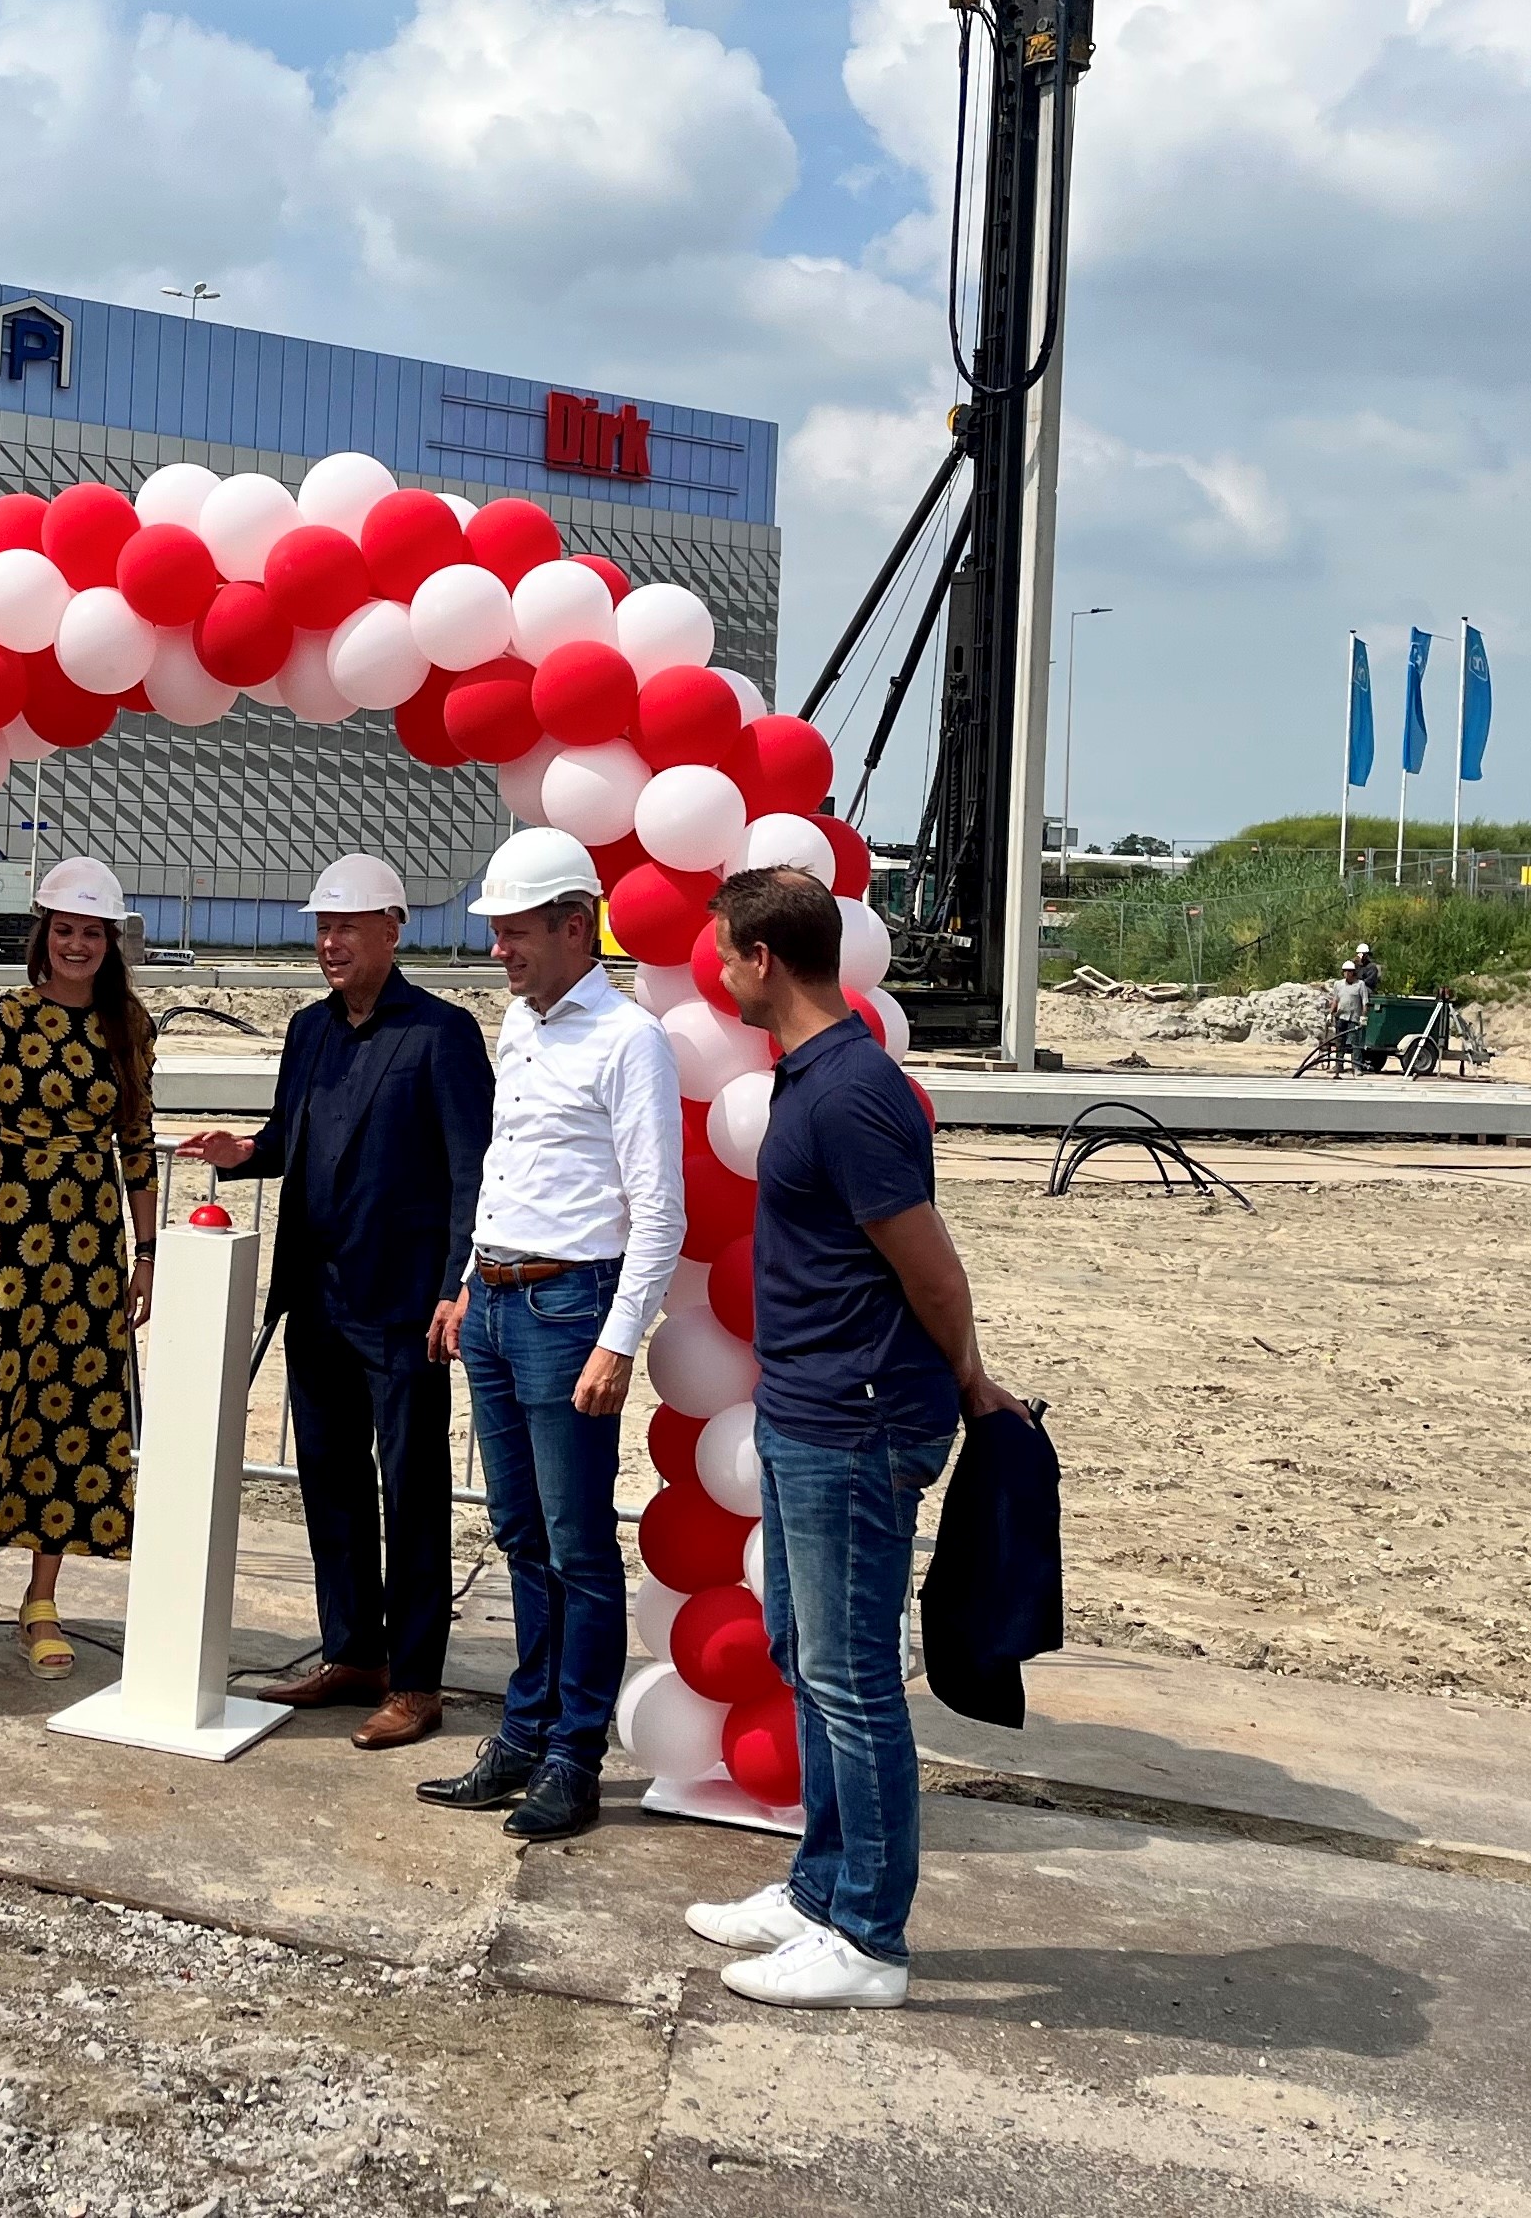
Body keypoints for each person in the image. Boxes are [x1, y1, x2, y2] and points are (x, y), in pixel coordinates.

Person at [684, 864, 1020, 2008]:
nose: (715, 969)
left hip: (856, 1425)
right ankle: (820, 1886)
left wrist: (970, 1381)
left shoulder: (847, 1091)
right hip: (806, 1415)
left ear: (761, 960)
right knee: (804, 1658)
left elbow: (929, 1264)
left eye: (722, 950)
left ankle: (867, 1936)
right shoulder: (813, 1075)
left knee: (851, 1678)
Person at [177, 854, 493, 1751]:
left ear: (394, 929)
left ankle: (419, 1677)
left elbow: (473, 1171)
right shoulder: (309, 1031)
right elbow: (291, 1135)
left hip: (401, 1307)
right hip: (313, 1298)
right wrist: (244, 1152)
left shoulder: (440, 1034)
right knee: (332, 1484)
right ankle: (354, 1650)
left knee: (412, 1488)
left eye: (347, 927)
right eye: (322, 926)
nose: (330, 942)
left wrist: (455, 1285)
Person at [416, 825, 683, 1842]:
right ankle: (522, 1735)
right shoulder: (518, 1026)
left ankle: (572, 1750)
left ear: (576, 927)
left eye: (513, 931)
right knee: (521, 1532)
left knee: (576, 1545)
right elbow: (507, 1165)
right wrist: (461, 1283)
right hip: (492, 1301)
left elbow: (657, 1210)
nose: (498, 950)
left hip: (569, 1309)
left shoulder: (628, 1042)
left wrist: (617, 1340)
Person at [0, 857, 157, 1679]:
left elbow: (138, 1145)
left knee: (70, 1414)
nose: (77, 944)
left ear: (109, 943)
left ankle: (41, 1599)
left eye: (92, 932)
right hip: (7, 1236)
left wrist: (145, 1254)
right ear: (43, 934)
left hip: (87, 1244)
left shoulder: (130, 1026)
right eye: (66, 929)